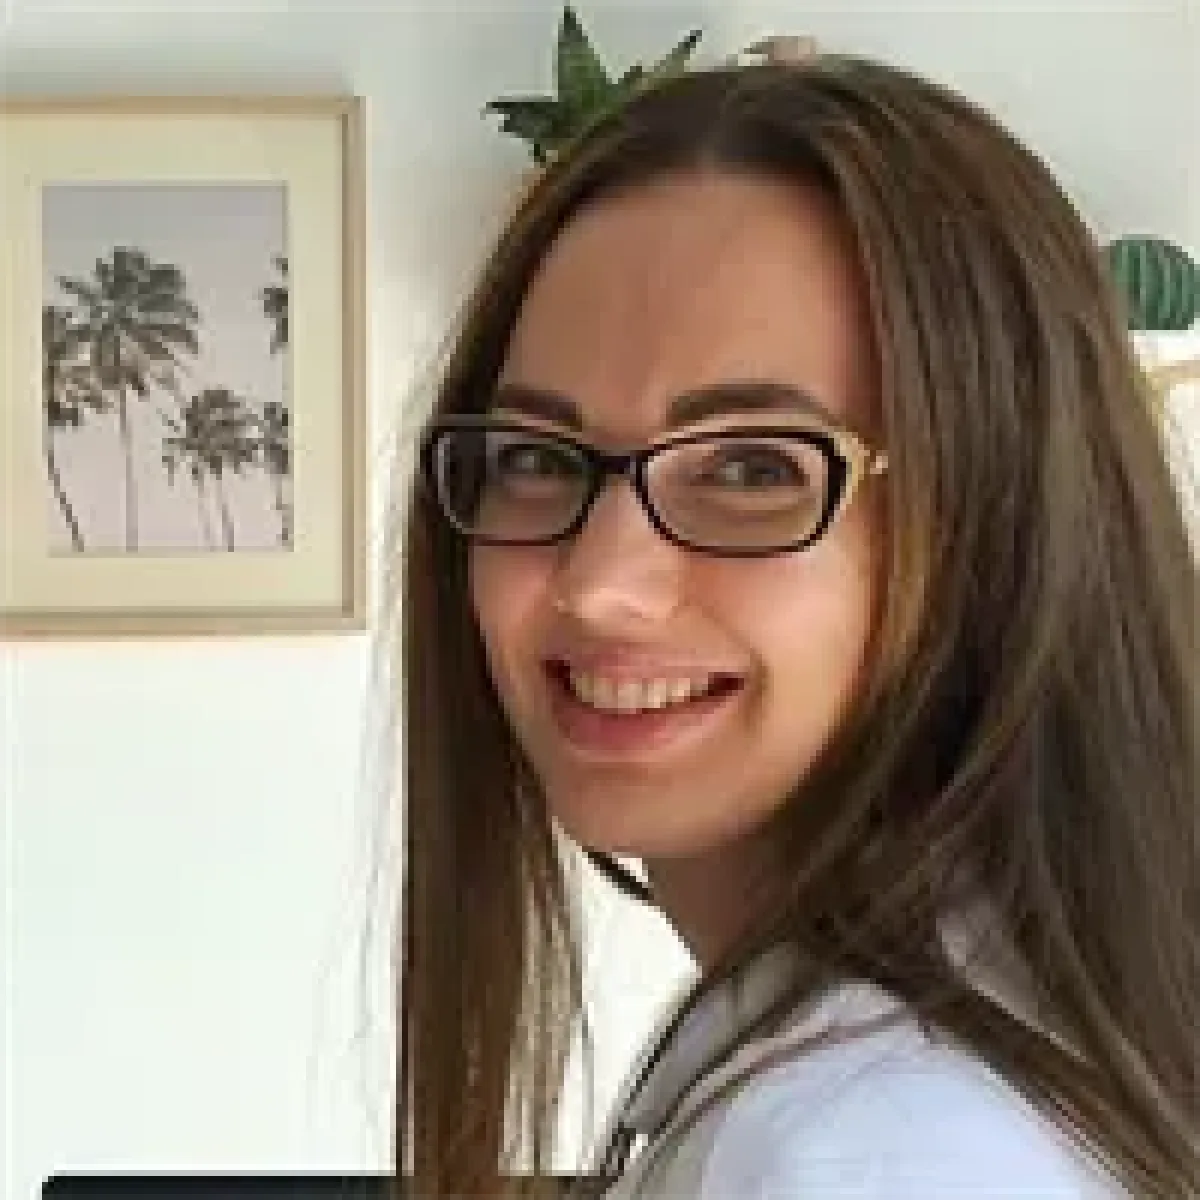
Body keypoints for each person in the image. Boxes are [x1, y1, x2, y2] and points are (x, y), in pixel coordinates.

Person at [392, 51, 1199, 1199]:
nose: (601, 585)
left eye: (755, 468)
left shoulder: (860, 1153)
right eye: (534, 457)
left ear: (1000, 522)